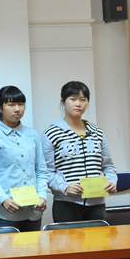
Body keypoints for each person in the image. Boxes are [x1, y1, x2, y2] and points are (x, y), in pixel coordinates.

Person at [43, 81, 117, 222]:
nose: (78, 104)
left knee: (99, 237)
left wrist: (111, 181)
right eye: (73, 99)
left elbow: (108, 166)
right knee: (69, 238)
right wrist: (64, 187)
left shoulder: (97, 133)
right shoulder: (51, 133)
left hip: (97, 203)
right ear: (63, 102)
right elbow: (46, 171)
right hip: (66, 204)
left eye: (83, 100)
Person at [0, 86, 49, 232]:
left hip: (33, 211)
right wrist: (3, 200)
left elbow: (41, 171)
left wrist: (42, 196)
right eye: (11, 104)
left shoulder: (32, 134)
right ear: (0, 107)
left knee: (34, 247)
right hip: (5, 213)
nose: (17, 109)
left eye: (21, 104)